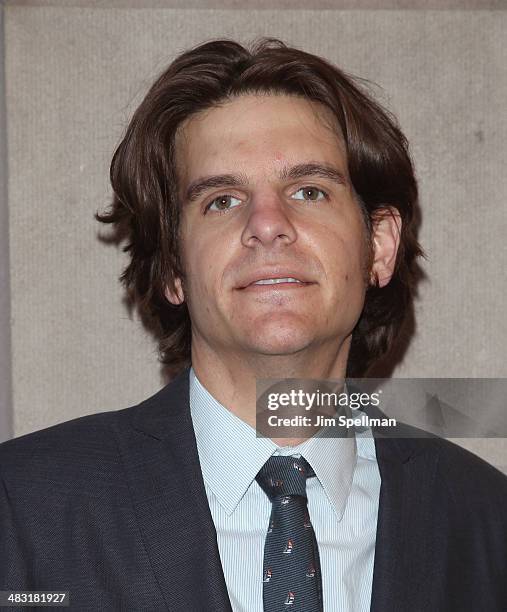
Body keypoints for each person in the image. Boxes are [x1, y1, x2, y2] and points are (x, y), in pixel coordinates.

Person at [1, 38, 506, 612]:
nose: (267, 225)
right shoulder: (21, 508)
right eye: (221, 200)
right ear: (172, 268)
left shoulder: (488, 522)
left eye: (309, 191)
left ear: (379, 248)